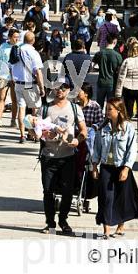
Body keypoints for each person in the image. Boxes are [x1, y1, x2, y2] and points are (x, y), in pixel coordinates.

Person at [92, 98, 138, 239]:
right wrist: (94, 166)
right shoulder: (102, 127)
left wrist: (127, 168)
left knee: (121, 198)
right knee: (105, 197)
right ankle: (106, 230)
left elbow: (132, 150)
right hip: (106, 167)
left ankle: (121, 226)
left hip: (121, 166)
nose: (107, 112)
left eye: (110, 109)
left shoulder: (128, 128)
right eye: (106, 109)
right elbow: (96, 148)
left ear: (119, 110)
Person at [40, 81, 87, 234]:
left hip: (68, 156)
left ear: (69, 91)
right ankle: (50, 223)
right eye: (57, 87)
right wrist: (40, 134)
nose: (60, 90)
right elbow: (35, 132)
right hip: (48, 157)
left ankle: (63, 220)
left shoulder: (75, 108)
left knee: (68, 191)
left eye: (63, 88)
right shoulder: (45, 108)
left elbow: (83, 131)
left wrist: (77, 140)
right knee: (48, 191)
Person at [10, 31, 45, 143]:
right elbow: (38, 72)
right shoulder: (33, 53)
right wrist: (42, 87)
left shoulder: (16, 50)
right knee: (35, 110)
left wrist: (13, 79)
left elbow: (10, 67)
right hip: (30, 84)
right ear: (33, 40)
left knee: (22, 109)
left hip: (18, 83)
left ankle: (22, 135)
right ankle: (34, 134)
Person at [0, 28, 19, 127]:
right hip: (3, 75)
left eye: (17, 37)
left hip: (15, 77)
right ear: (9, 37)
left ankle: (13, 120)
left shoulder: (19, 47)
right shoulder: (3, 46)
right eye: (14, 37)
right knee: (1, 98)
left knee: (14, 99)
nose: (16, 39)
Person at [92, 34, 123, 107]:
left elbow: (92, 67)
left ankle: (99, 117)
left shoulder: (99, 54)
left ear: (106, 41)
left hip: (101, 82)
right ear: (115, 42)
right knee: (111, 105)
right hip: (112, 83)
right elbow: (120, 71)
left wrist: (99, 69)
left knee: (99, 104)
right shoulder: (118, 56)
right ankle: (108, 118)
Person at [77, 82, 104, 157]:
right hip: (77, 131)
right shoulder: (75, 106)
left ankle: (91, 157)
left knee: (90, 132)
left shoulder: (95, 106)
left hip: (90, 133)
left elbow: (100, 122)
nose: (76, 93)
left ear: (86, 94)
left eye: (79, 91)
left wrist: (92, 128)